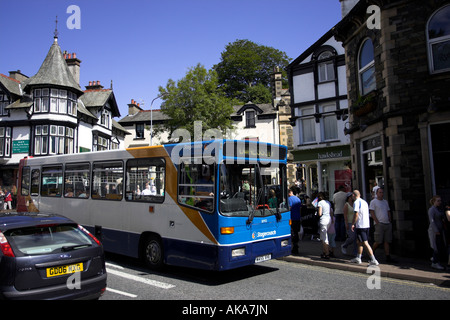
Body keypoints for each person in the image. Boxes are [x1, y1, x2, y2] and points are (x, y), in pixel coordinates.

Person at [350, 190, 379, 266]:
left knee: (365, 242)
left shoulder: (356, 202)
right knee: (359, 242)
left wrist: (353, 224)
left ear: (353, 195)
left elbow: (356, 214)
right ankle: (358, 258)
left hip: (360, 225)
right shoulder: (364, 202)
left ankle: (373, 259)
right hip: (366, 225)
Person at [369, 188, 396, 263]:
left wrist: (389, 219)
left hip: (387, 223)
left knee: (387, 241)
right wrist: (376, 221)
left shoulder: (385, 202)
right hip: (379, 224)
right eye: (380, 192)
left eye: (382, 192)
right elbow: (372, 212)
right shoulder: (373, 202)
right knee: (378, 241)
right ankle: (371, 252)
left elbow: (388, 211)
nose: (381, 194)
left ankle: (387, 256)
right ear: (376, 193)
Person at [428, 195, 445, 270]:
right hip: (434, 231)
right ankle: (435, 263)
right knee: (436, 247)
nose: (439, 202)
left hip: (439, 230)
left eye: (440, 200)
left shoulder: (438, 209)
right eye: (438, 201)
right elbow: (431, 221)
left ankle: (435, 260)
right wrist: (436, 230)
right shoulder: (432, 209)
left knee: (439, 246)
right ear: (434, 201)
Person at [341, 192, 357, 256]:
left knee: (356, 238)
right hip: (350, 222)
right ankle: (344, 245)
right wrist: (346, 223)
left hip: (355, 222)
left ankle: (355, 252)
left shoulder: (355, 204)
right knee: (352, 237)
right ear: (349, 197)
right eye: (351, 196)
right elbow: (345, 215)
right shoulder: (346, 205)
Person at [317, 192, 332, 259]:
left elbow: (320, 213)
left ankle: (327, 253)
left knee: (324, 237)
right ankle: (325, 251)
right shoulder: (328, 202)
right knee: (325, 236)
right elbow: (331, 211)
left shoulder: (320, 203)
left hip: (323, 220)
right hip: (329, 219)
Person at [288, 188, 302, 254]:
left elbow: (289, 208)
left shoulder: (289, 199)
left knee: (293, 232)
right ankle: (296, 245)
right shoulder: (298, 199)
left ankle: (294, 246)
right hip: (298, 217)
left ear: (289, 193)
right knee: (296, 232)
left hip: (292, 217)